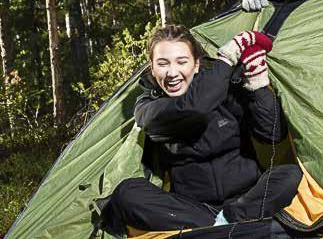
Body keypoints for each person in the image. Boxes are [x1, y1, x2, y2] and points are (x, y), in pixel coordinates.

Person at [97, 25, 302, 236]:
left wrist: (258, 84)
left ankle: (222, 226)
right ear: (152, 68)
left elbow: (272, 134)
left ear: (196, 65)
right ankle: (229, 228)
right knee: (126, 194)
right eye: (162, 63)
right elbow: (193, 108)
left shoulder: (226, 91)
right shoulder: (148, 107)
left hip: (247, 198)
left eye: (181, 62)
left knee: (289, 174)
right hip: (192, 209)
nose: (172, 73)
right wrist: (229, 57)